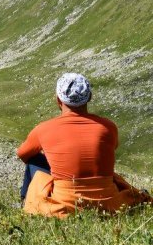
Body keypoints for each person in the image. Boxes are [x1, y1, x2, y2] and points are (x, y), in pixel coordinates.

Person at [17, 72, 152, 217]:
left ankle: (26, 204)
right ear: (89, 97)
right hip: (109, 203)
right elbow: (113, 147)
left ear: (58, 99)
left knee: (34, 160)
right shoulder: (108, 127)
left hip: (66, 204)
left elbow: (23, 154)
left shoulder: (43, 129)